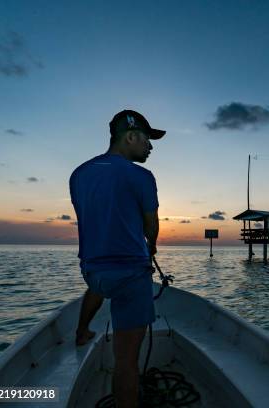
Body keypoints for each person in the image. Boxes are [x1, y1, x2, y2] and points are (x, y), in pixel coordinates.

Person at [69, 109, 165, 407]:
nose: (151, 147)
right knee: (126, 361)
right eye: (147, 140)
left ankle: (81, 331)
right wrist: (151, 246)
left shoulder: (79, 173)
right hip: (130, 273)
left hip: (93, 270)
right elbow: (151, 225)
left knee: (98, 285)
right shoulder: (142, 176)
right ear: (131, 136)